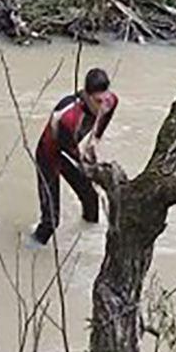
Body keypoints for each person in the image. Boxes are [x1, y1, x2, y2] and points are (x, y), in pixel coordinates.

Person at [28, 67, 119, 247]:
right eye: (96, 101)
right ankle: (29, 250)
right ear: (86, 95)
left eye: (104, 99)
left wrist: (95, 139)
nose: (101, 106)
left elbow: (106, 115)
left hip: (70, 149)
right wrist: (93, 170)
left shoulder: (110, 101)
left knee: (91, 201)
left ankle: (85, 241)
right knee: (51, 221)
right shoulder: (68, 117)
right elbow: (71, 152)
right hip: (49, 155)